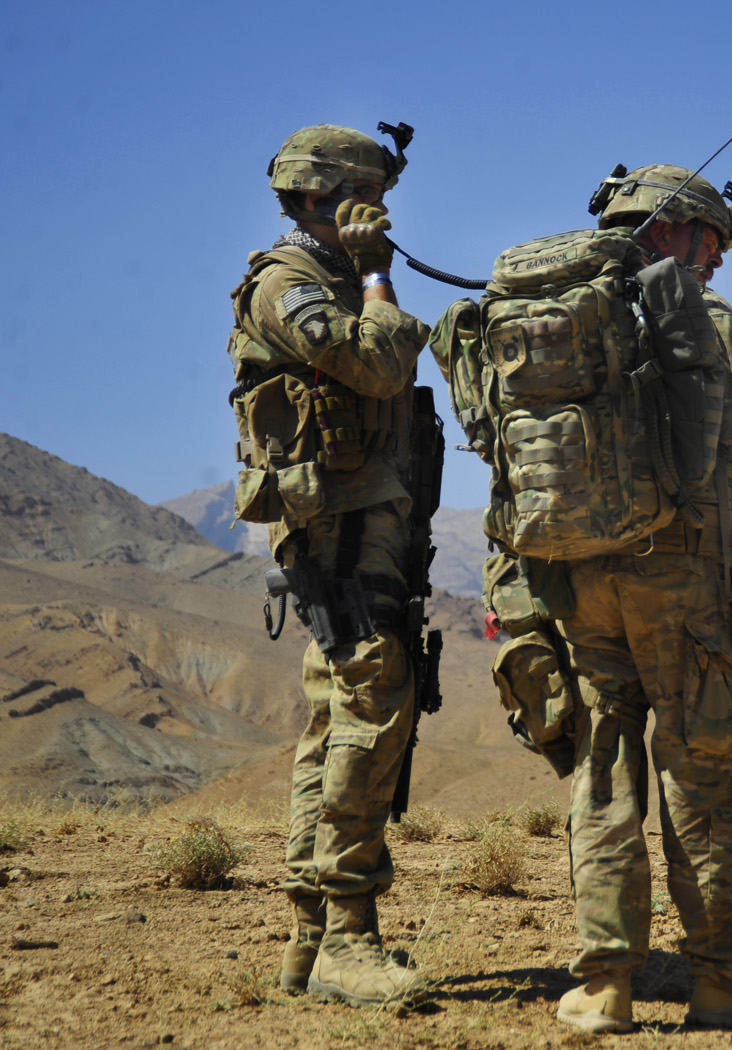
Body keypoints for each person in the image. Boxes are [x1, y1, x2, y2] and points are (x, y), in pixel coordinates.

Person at [550, 165, 732, 1032]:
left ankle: (605, 988)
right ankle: (724, 983)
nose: (718, 263)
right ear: (669, 231)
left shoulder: (558, 316)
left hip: (582, 580)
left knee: (604, 772)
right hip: (682, 578)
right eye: (711, 241)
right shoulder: (696, 313)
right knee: (709, 770)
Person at [226, 123, 431, 1007]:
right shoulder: (291, 282)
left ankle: (311, 940)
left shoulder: (327, 279)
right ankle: (350, 935)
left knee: (335, 720)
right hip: (340, 527)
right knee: (371, 710)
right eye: (368, 197)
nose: (382, 213)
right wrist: (381, 274)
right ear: (327, 198)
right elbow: (379, 364)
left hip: (358, 522)